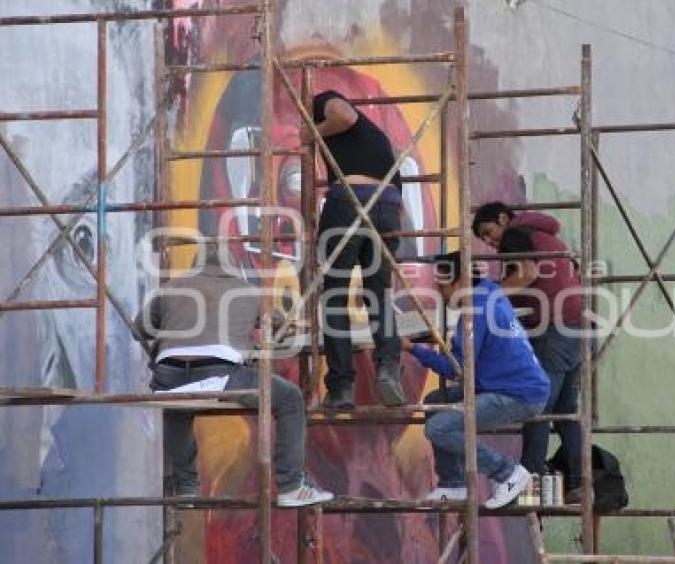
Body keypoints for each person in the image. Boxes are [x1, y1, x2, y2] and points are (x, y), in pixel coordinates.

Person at [134, 244, 333, 507]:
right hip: (220, 372)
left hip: (168, 375)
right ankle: (291, 486)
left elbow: (139, 330)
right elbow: (278, 324)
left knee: (177, 404)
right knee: (290, 399)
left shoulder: (171, 287)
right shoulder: (248, 291)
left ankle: (186, 488)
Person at [403, 252, 550, 509]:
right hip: (513, 387)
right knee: (435, 402)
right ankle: (453, 483)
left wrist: (412, 349)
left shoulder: (476, 311)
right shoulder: (488, 292)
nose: (442, 294)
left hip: (516, 397)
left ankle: (507, 473)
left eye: (443, 287)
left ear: (459, 283)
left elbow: (457, 369)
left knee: (438, 428)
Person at [472, 201, 584, 502]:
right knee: (566, 412)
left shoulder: (515, 233)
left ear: (502, 218)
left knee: (537, 409)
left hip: (555, 330)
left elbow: (526, 273)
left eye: (488, 232)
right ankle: (578, 483)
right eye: (482, 239)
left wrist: (486, 295)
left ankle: (526, 483)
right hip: (579, 326)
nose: (489, 241)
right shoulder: (544, 234)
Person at [307, 89, 405, 409]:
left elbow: (343, 115)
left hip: (351, 197)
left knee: (335, 294)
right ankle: (389, 367)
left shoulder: (325, 101)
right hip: (388, 205)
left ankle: (340, 388)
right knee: (378, 293)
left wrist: (310, 131)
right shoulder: (375, 138)